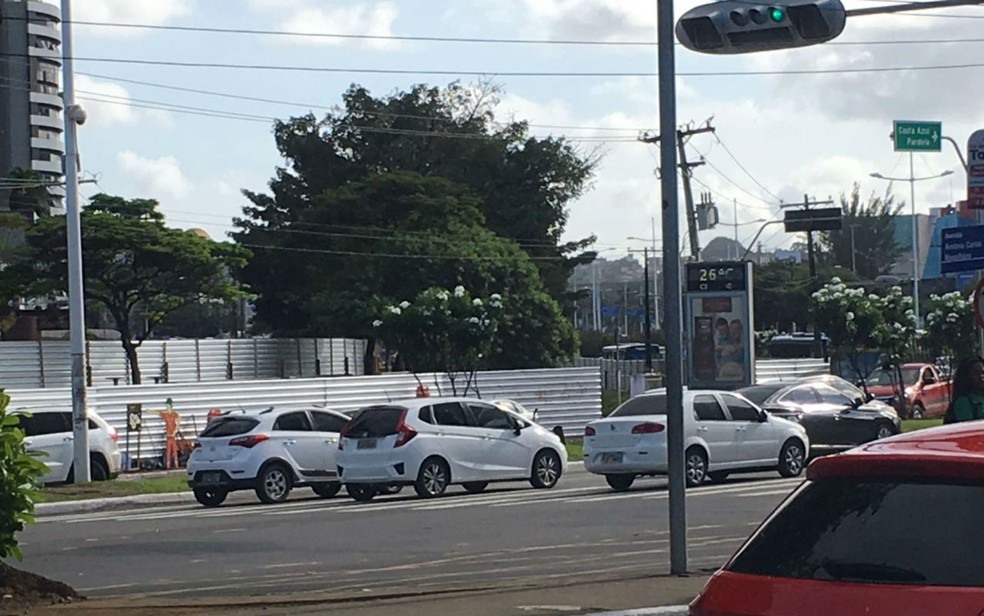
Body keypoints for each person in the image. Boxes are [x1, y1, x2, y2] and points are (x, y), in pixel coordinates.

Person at [943, 357, 984, 424]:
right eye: (976, 373)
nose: (981, 376)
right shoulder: (962, 402)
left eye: (983, 372)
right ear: (967, 376)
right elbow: (967, 428)